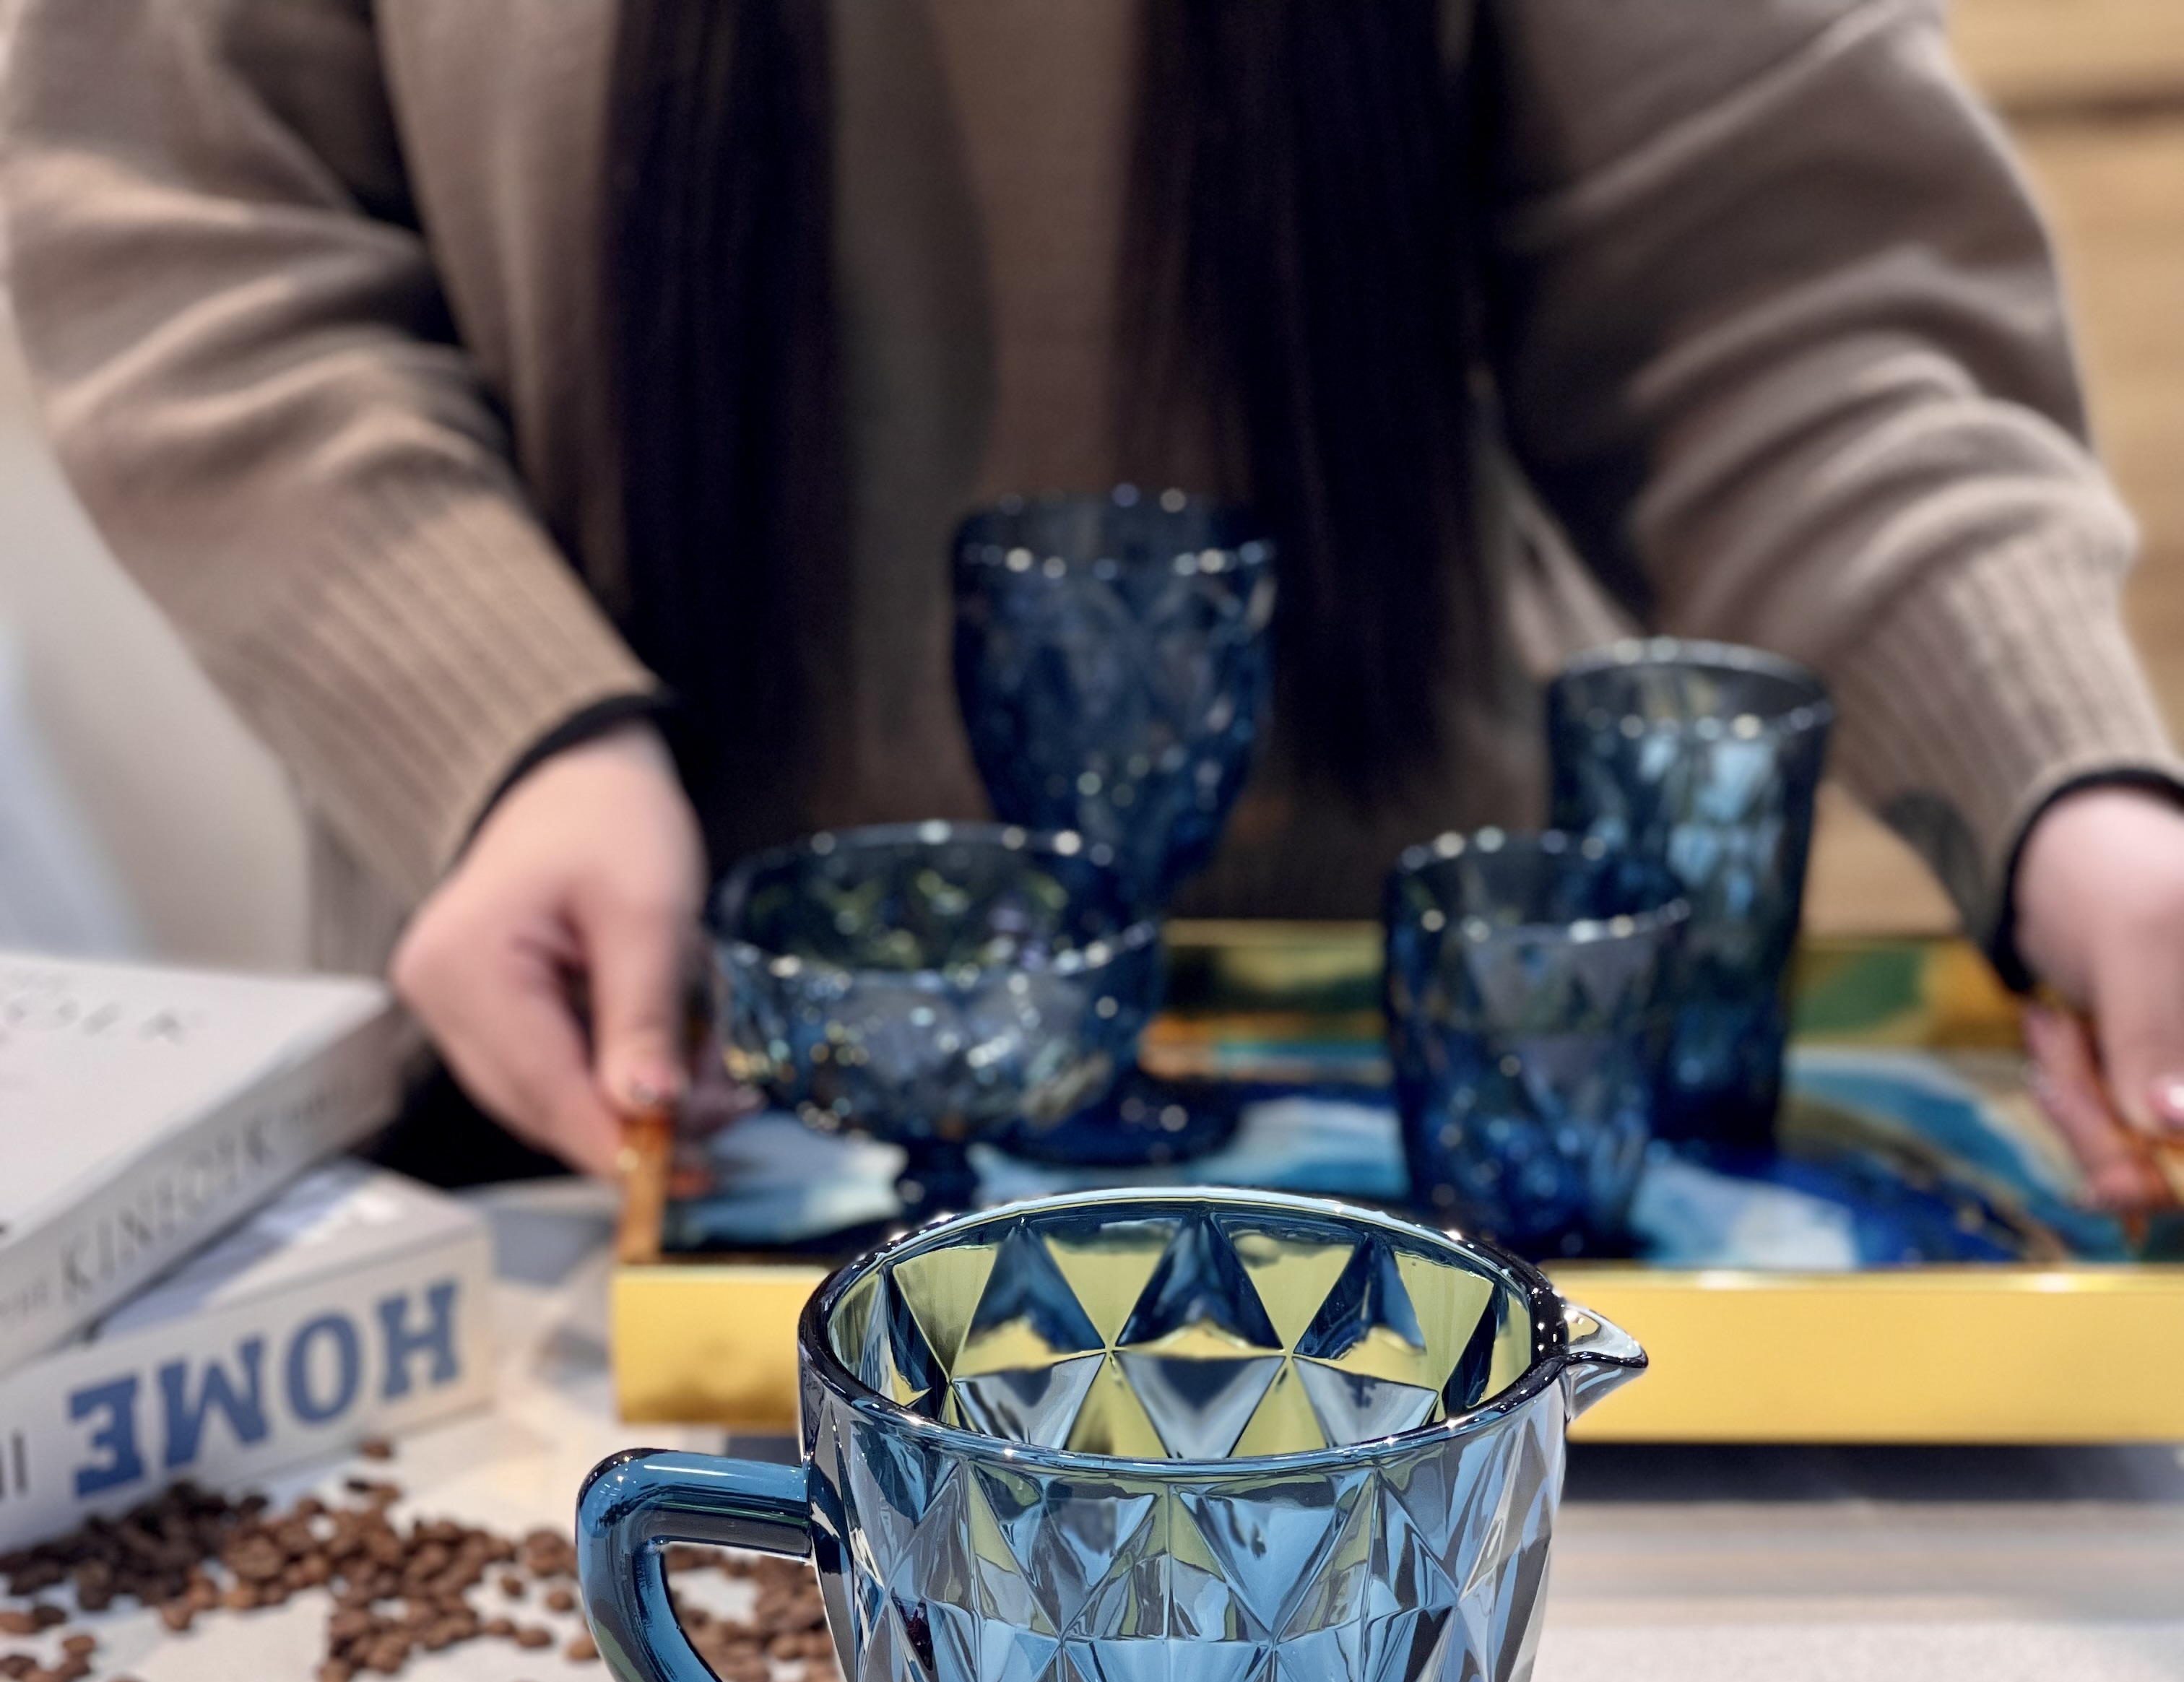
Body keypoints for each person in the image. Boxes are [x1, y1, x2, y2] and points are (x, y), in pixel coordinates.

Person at [5, 0, 2181, 1200]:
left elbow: (1773, 283)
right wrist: (505, 729)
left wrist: (2066, 791)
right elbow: (184, 220)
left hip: (1385, 1177)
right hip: (617, 1124)